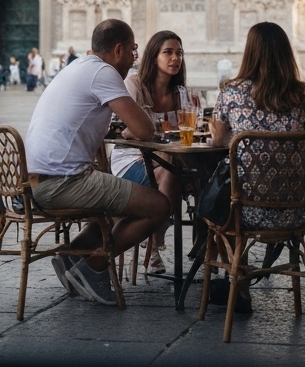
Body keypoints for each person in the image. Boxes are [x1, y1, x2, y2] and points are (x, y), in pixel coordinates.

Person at [24, 19, 170, 306]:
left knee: (124, 201)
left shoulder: (78, 66)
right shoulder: (104, 72)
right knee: (159, 206)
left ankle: (73, 255)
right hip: (62, 182)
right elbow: (145, 130)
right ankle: (95, 265)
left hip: (34, 180)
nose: (133, 58)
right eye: (133, 50)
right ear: (118, 50)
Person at [210, 22, 305, 311]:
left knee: (213, 201)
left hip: (244, 210)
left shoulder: (230, 92)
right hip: (298, 211)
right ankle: (241, 282)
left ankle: (239, 282)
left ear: (249, 53)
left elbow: (219, 140)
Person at [108, 30, 188, 273]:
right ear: (153, 56)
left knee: (177, 169)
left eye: (179, 53)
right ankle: (157, 240)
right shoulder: (133, 85)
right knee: (176, 169)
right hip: (130, 161)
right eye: (168, 52)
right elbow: (124, 131)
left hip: (165, 162)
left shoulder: (180, 92)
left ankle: (157, 240)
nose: (175, 58)